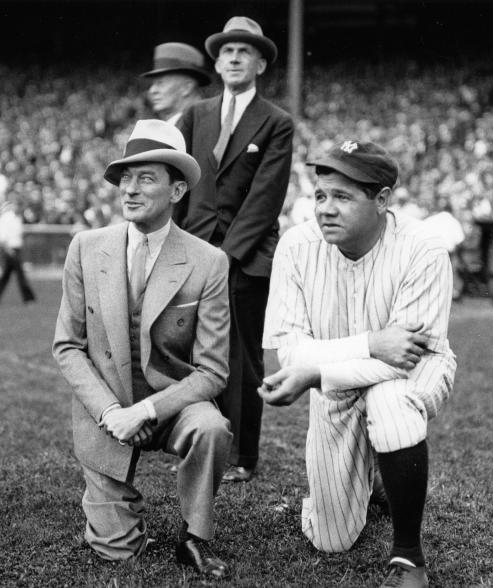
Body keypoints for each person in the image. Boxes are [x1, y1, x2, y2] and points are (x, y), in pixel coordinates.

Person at [260, 140, 457, 588]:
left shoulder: (424, 248)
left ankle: (409, 557)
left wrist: (319, 371)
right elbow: (289, 355)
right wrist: (370, 343)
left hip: (413, 372)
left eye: (343, 197)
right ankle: (379, 476)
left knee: (390, 403)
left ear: (382, 200)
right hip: (338, 381)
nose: (326, 209)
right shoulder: (296, 246)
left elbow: (404, 357)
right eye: (321, 195)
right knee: (330, 538)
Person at [52, 120, 233, 579]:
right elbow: (67, 346)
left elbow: (213, 372)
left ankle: (195, 537)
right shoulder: (86, 248)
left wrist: (147, 410)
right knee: (117, 553)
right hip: (105, 413)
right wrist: (112, 411)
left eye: (145, 178)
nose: (129, 190)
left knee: (211, 427)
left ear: (176, 192)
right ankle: (115, 506)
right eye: (124, 179)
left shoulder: (208, 261)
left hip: (169, 404)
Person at [178, 16, 294, 482]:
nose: (234, 57)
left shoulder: (277, 122)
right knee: (193, 350)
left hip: (245, 258)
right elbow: (181, 185)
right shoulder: (196, 115)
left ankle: (243, 456)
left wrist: (226, 255)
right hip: (194, 249)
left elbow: (266, 199)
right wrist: (182, 245)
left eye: (244, 51)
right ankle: (200, 441)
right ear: (216, 60)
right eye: (227, 51)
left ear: (260, 63)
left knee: (242, 356)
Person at [141, 43, 212, 126]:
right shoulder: (177, 125)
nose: (152, 90)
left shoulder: (205, 124)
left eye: (161, 83)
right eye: (153, 84)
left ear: (187, 87)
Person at [0, 196, 36, 304]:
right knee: (20, 275)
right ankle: (29, 298)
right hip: (10, 250)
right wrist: (9, 250)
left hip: (16, 249)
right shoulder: (6, 218)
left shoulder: (18, 218)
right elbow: (2, 238)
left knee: (6, 276)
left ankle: (29, 298)